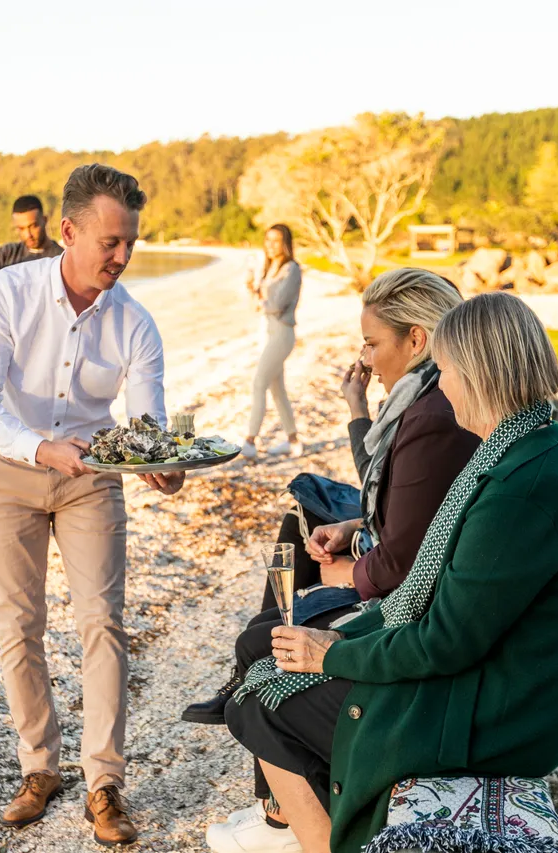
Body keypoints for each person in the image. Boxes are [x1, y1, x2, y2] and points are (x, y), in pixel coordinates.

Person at [222, 292, 558, 853]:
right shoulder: (519, 453)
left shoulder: (524, 489)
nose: (443, 389)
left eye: (446, 373)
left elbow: (444, 642)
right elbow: (445, 607)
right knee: (266, 674)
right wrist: (345, 636)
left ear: (480, 374)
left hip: (492, 713)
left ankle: (324, 839)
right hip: (486, 684)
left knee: (260, 702)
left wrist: (330, 653)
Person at [192, 270, 480, 853]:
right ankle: (276, 810)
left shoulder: (431, 415)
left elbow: (403, 559)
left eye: (373, 343)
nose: (365, 356)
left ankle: (287, 823)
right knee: (285, 565)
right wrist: (355, 519)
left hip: (404, 606)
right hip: (403, 579)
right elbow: (389, 492)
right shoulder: (418, 403)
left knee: (263, 643)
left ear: (418, 340)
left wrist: (342, 573)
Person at [0, 164, 185, 846]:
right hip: (8, 468)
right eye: (110, 241)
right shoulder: (5, 293)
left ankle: (103, 782)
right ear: (67, 232)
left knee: (101, 622)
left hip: (92, 477)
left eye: (130, 244)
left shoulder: (135, 324)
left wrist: (162, 466)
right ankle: (39, 767)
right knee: (17, 624)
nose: (122, 257)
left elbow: (147, 426)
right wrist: (38, 447)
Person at [240, 224, 303, 462]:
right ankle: (293, 441)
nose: (271, 245)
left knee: (259, 383)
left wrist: (260, 299)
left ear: (286, 243)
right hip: (268, 332)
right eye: (268, 240)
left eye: (277, 241)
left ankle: (249, 441)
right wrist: (253, 289)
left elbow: (276, 305)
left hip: (282, 334)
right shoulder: (270, 268)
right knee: (278, 390)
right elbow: (261, 302)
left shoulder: (291, 269)